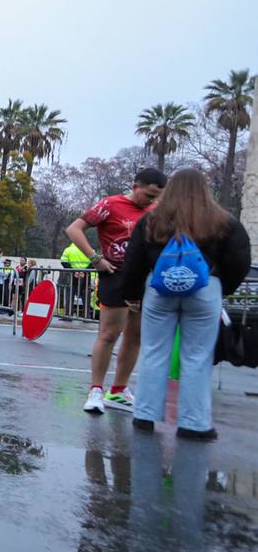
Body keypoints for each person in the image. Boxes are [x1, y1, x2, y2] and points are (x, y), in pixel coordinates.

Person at [120, 168, 250, 440]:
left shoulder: (152, 220)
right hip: (205, 289)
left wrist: (132, 292)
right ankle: (194, 423)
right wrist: (220, 287)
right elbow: (239, 260)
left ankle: (144, 415)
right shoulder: (222, 221)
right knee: (197, 357)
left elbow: (134, 259)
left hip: (159, 289)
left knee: (154, 352)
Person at [66, 168, 167, 414]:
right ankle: (96, 390)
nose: (151, 201)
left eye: (157, 197)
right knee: (109, 334)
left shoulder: (155, 211)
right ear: (136, 187)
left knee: (136, 336)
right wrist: (95, 258)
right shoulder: (111, 204)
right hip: (115, 273)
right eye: (148, 195)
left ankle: (119, 390)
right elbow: (73, 229)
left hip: (145, 278)